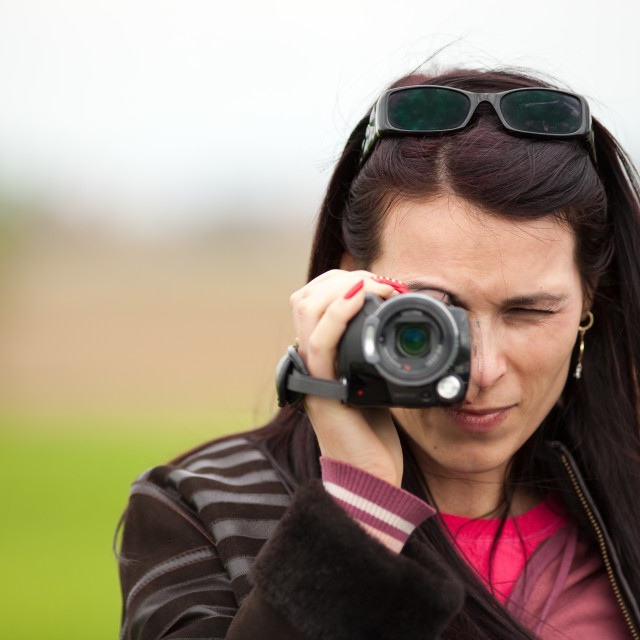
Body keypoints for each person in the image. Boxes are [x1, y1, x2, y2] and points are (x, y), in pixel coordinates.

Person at [117, 67, 640, 640]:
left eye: (530, 312)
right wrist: (358, 507)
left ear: (592, 298)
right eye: (432, 318)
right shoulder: (207, 509)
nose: (484, 370)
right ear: (347, 288)